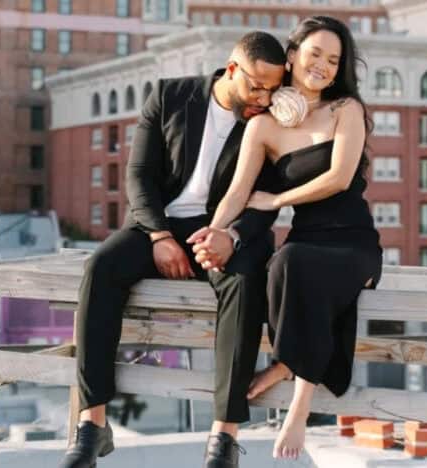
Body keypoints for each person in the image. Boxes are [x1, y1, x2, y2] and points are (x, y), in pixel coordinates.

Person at [58, 32, 286, 468]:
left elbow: (268, 197)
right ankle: (92, 424)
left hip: (225, 231)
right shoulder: (169, 95)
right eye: (257, 85)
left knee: (245, 280)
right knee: (101, 267)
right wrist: (160, 236)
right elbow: (139, 176)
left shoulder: (272, 118)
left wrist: (232, 236)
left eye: (273, 88)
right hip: (156, 226)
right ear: (232, 69)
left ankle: (224, 436)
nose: (264, 96)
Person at [200, 16, 383, 461]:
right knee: (282, 264)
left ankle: (297, 403)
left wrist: (277, 198)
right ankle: (287, 361)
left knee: (296, 265)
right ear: (293, 53)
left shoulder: (346, 111)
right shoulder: (263, 125)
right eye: (315, 53)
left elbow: (339, 179)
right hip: (307, 239)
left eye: (334, 60)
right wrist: (213, 233)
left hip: (354, 242)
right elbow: (238, 192)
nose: (323, 65)